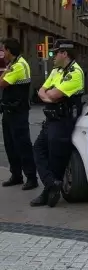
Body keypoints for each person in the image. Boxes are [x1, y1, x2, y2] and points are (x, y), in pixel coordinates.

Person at [31, 39, 84, 208]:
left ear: (64, 53)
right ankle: (51, 184)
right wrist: (48, 96)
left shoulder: (75, 73)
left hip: (63, 122)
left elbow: (52, 95)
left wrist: (48, 96)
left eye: (55, 53)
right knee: (38, 149)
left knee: (56, 159)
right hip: (51, 120)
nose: (52, 56)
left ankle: (49, 191)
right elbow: (41, 91)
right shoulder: (56, 71)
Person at [0, 38, 38, 190]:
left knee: (22, 145)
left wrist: (4, 74)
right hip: (9, 110)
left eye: (4, 50)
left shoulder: (20, 65)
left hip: (18, 112)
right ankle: (16, 175)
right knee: (10, 145)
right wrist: (5, 72)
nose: (2, 53)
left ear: (9, 50)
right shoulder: (12, 64)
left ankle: (31, 177)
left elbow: (2, 83)